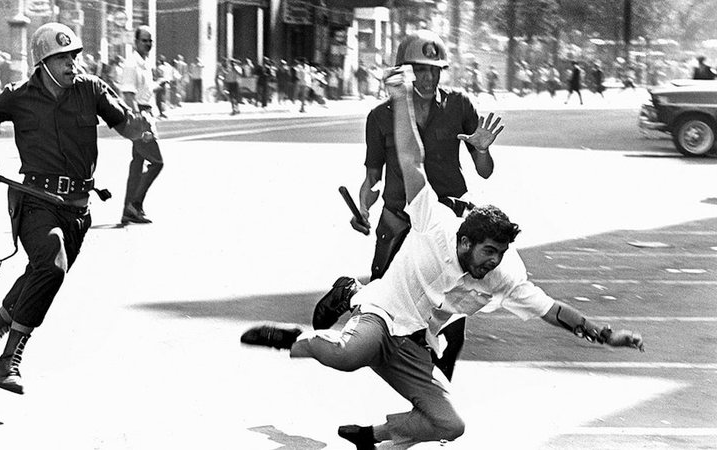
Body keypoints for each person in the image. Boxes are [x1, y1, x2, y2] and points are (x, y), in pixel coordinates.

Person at [240, 64, 645, 448]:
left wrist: (605, 335)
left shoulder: (504, 273)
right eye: (489, 252)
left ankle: (374, 436)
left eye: (500, 254)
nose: (493, 262)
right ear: (465, 242)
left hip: (416, 342)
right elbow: (410, 160)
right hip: (382, 317)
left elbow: (551, 310)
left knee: (451, 424)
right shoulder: (435, 224)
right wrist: (399, 98)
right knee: (350, 354)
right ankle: (296, 337)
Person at [0, 22, 152, 395]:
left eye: (74, 56)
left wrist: (139, 130)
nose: (72, 64)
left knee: (42, 273)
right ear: (43, 62)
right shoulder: (19, 94)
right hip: (35, 200)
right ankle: (9, 360)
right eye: (63, 58)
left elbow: (124, 123)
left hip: (78, 210)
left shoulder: (91, 89)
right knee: (52, 265)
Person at [311, 29, 497, 385]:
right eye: (419, 70)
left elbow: (484, 171)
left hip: (448, 227)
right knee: (381, 310)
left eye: (435, 70)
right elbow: (372, 178)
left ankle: (435, 400)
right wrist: (363, 206)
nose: (427, 78)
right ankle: (348, 291)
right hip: (400, 221)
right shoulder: (381, 116)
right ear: (404, 70)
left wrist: (483, 150)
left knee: (451, 320)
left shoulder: (459, 106)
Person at [121, 25, 165, 224]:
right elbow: (128, 95)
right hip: (141, 118)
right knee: (157, 162)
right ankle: (134, 204)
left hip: (147, 113)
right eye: (144, 40)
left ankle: (128, 210)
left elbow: (143, 91)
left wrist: (158, 84)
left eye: (150, 40)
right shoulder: (132, 64)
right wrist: (139, 123)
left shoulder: (145, 63)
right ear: (135, 42)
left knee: (137, 165)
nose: (148, 44)